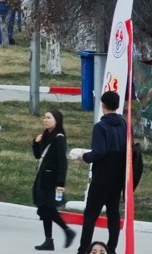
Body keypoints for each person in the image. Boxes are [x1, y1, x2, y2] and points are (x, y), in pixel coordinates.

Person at [73, 91, 127, 254]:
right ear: (117, 106)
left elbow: (99, 152)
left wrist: (84, 157)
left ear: (103, 106)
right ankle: (111, 249)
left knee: (90, 215)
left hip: (102, 177)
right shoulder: (124, 125)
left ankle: (84, 249)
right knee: (113, 214)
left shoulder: (100, 127)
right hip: (118, 177)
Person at [32, 110, 75, 251]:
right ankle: (49, 240)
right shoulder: (46, 135)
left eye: (49, 118)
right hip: (42, 178)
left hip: (51, 181)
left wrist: (60, 183)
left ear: (57, 121)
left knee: (48, 208)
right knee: (45, 209)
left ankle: (66, 231)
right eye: (44, 117)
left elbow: (62, 162)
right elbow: (38, 155)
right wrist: (36, 143)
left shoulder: (59, 137)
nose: (45, 120)